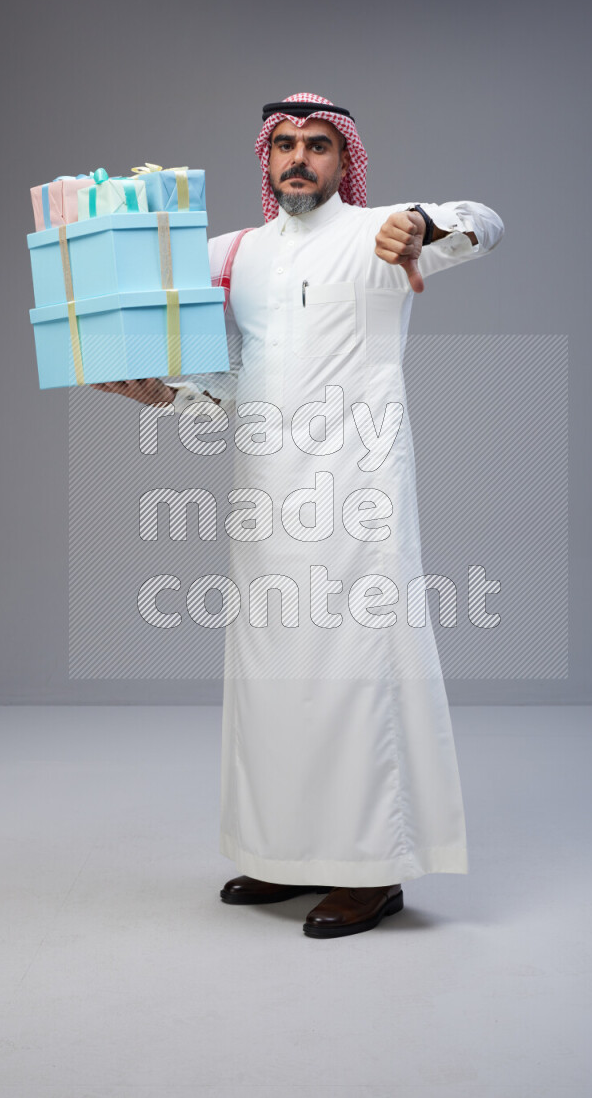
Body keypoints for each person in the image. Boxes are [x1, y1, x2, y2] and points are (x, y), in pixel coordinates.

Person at [93, 92, 504, 939]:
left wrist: (424, 226)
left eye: (318, 145)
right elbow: (239, 384)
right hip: (266, 488)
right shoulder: (235, 255)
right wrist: (166, 394)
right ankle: (282, 852)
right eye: (285, 144)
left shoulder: (379, 231)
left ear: (342, 158)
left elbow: (487, 221)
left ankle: (372, 870)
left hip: (360, 490)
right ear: (265, 159)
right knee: (271, 674)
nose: (300, 159)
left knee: (355, 674)